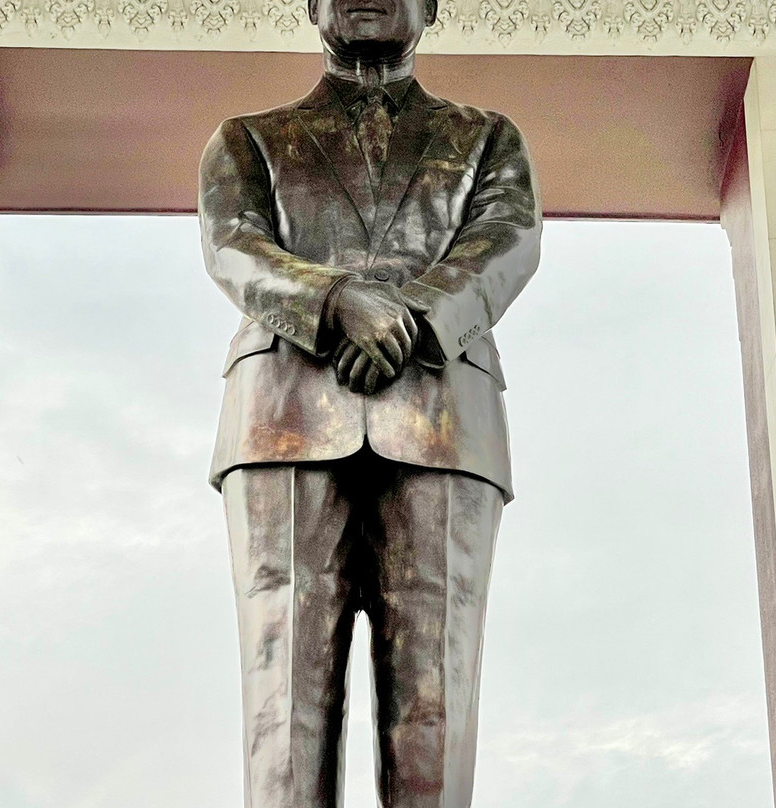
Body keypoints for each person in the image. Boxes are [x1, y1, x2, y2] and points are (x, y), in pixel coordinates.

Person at [198, 0, 541, 802]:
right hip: (283, 411)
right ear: (308, 4)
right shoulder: (249, 138)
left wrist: (414, 316)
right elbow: (231, 243)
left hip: (443, 408)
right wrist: (335, 302)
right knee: (284, 703)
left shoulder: (487, 139)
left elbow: (509, 236)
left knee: (436, 699)